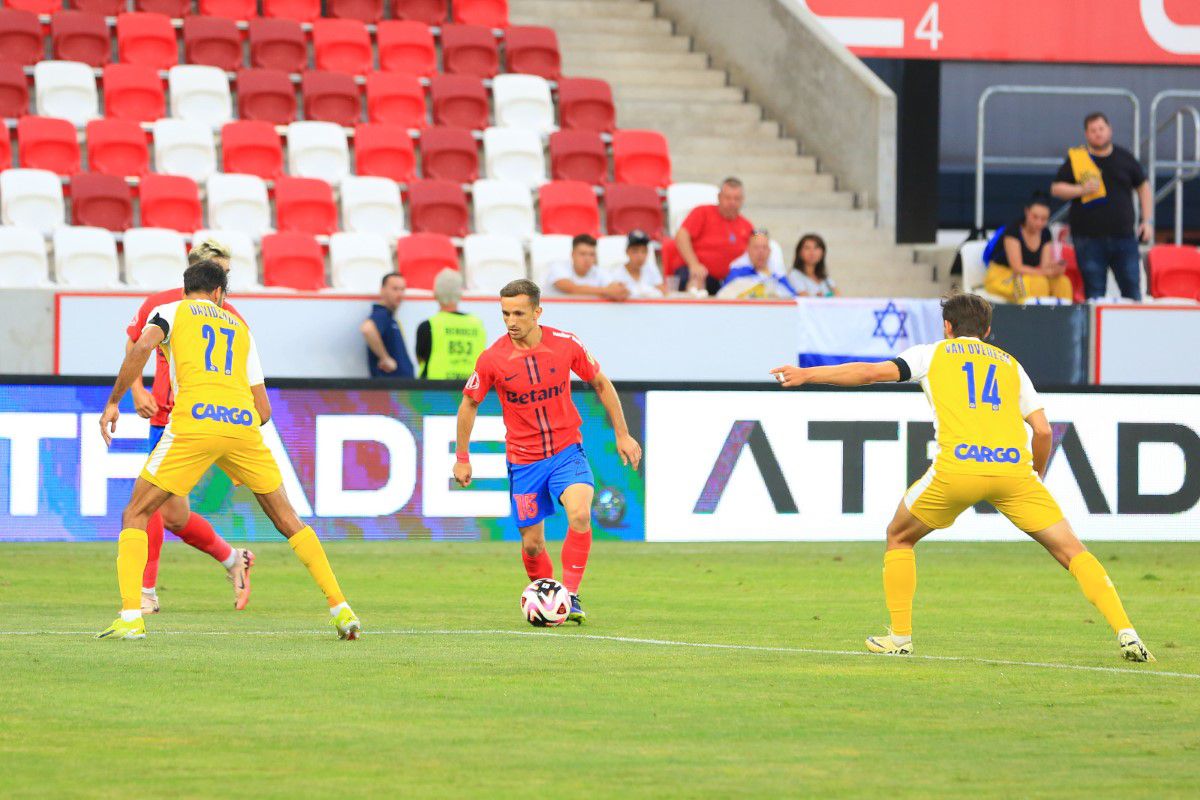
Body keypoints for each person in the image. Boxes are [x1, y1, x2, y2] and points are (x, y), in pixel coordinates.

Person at [769, 291, 1154, 663]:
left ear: (947, 326)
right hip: (1013, 473)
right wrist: (1035, 477)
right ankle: (1127, 632)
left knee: (899, 536)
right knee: (1073, 552)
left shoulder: (931, 354)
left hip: (957, 470)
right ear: (986, 330)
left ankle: (900, 638)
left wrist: (806, 374)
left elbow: (869, 373)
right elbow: (1042, 431)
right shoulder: (1011, 364)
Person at [96, 261, 361, 641]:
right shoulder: (240, 328)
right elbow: (263, 410)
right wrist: (232, 440)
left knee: (136, 512)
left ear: (186, 289)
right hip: (242, 428)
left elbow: (141, 346)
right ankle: (341, 608)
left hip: (193, 424)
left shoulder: (171, 311)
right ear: (219, 293)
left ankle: (131, 616)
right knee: (289, 520)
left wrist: (114, 402)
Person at [453, 279, 642, 623]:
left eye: (519, 313)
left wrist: (623, 434)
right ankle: (548, 597)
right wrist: (462, 458)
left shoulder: (565, 344)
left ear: (537, 312)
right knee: (532, 545)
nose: (511, 321)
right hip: (524, 462)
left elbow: (601, 383)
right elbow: (469, 404)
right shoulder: (492, 358)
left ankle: (570, 596)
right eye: (505, 314)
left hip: (566, 451)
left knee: (580, 514)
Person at [124, 239, 252, 615]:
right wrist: (137, 389)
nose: (226, 284)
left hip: (201, 423)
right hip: (165, 418)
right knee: (174, 516)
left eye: (228, 274)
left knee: (146, 505)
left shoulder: (231, 316)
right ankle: (234, 559)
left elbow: (245, 374)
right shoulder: (161, 305)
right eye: (222, 273)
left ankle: (146, 592)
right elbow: (135, 345)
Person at [1051, 112, 1153, 300]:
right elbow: (1056, 188)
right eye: (1093, 130)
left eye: (1101, 129)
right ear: (1086, 134)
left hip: (1124, 237)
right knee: (1094, 293)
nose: (1098, 133)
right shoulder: (1078, 158)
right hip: (1088, 239)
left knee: (1132, 291)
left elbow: (1144, 187)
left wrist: (1147, 221)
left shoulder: (1125, 158)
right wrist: (1081, 189)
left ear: (1109, 130)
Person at [984, 193, 1073, 303]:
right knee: (1037, 283)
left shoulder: (1045, 233)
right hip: (1004, 276)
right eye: (1035, 217)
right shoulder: (1013, 231)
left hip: (1031, 275)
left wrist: (1055, 268)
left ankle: (1064, 313)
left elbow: (1044, 266)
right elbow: (1017, 268)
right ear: (1027, 212)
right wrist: (1046, 272)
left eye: (1044, 219)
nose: (1039, 222)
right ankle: (1033, 312)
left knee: (1062, 282)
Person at [675, 177, 755, 295]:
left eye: (736, 199)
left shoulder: (747, 226)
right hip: (699, 274)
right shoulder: (702, 212)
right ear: (719, 197)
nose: (732, 202)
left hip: (730, 281)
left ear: (742, 200)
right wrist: (694, 264)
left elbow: (757, 246)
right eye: (728, 198)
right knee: (695, 280)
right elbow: (681, 236)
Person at [415, 268, 488, 380]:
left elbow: (421, 359)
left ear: (435, 294)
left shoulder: (427, 326)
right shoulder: (477, 324)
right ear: (460, 294)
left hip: (434, 388)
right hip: (470, 387)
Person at [544, 234, 630, 301]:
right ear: (572, 254)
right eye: (583, 254)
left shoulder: (599, 271)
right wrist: (608, 291)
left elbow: (615, 288)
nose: (587, 259)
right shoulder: (558, 267)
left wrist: (620, 290)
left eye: (591, 254)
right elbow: (572, 289)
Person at [361, 272, 415, 378]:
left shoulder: (390, 318)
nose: (400, 294)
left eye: (402, 290)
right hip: (391, 386)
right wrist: (385, 358)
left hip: (401, 385)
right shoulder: (382, 314)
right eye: (395, 289)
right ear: (382, 290)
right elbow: (367, 329)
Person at [719, 231, 797, 299]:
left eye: (764, 247)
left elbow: (794, 298)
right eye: (756, 247)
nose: (761, 252)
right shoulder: (736, 274)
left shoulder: (778, 277)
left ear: (769, 251)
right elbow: (724, 297)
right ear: (748, 250)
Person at [611, 230, 666, 298]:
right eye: (635, 251)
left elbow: (663, 292)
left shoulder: (651, 268)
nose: (640, 256)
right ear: (627, 251)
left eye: (644, 251)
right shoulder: (617, 273)